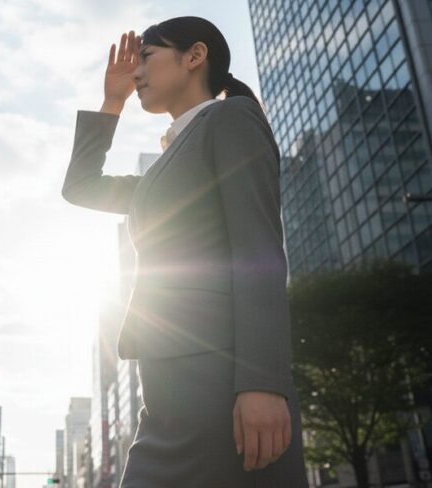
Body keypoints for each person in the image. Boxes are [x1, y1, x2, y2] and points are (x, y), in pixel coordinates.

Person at [61, 16, 307, 487]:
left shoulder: (232, 118)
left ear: (194, 56)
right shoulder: (165, 166)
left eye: (147, 57)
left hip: (220, 379)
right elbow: (80, 187)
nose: (136, 74)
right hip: (167, 390)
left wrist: (263, 383)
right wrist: (111, 102)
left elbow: (257, 252)